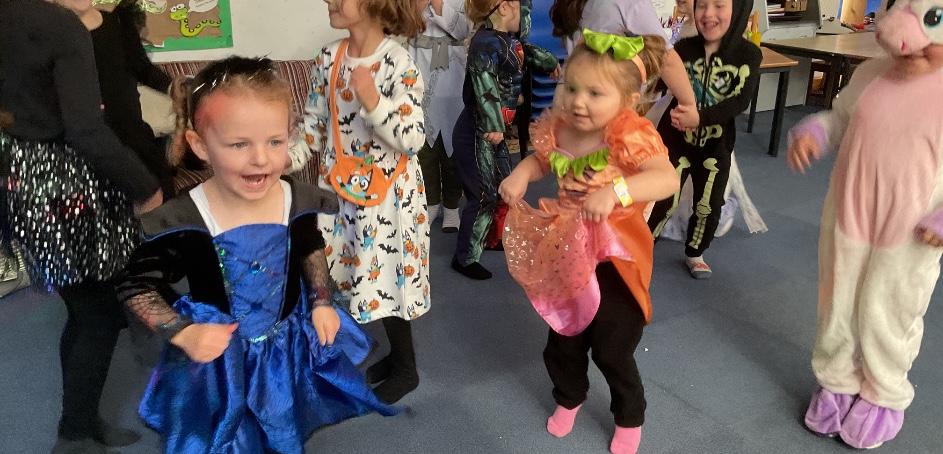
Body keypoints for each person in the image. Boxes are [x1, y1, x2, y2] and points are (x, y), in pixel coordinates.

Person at [115, 57, 396, 453]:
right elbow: (135, 284)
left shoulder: (294, 197)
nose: (261, 159)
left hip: (284, 348)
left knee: (281, 418)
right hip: (220, 358)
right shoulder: (185, 217)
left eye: (275, 142)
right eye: (239, 144)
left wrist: (321, 301)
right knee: (229, 431)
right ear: (200, 145)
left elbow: (309, 245)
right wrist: (183, 331)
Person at [499, 31, 678, 454]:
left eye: (595, 93)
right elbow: (541, 159)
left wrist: (616, 191)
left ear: (628, 101)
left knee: (613, 345)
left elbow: (666, 178)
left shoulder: (630, 134)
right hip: (568, 247)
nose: (578, 101)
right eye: (572, 88)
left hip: (616, 254)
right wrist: (522, 174)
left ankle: (629, 414)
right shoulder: (561, 127)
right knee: (564, 335)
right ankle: (569, 395)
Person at [0, 1, 163, 452]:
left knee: (84, 308)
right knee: (98, 313)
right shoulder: (59, 25)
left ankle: (82, 420)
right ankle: (74, 434)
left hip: (23, 177)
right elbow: (86, 130)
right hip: (66, 185)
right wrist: (144, 186)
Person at [787, 0, 943, 449]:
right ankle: (836, 379)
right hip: (848, 216)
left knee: (891, 309)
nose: (909, 48)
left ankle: (883, 391)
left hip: (911, 234)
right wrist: (815, 132)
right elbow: (839, 119)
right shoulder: (871, 73)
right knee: (836, 302)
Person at [288, 0, 429, 404]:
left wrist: (374, 101)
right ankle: (395, 357)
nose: (328, 1)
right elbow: (314, 127)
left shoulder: (398, 62)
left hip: (389, 201)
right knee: (357, 275)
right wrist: (282, 159)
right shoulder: (328, 58)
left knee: (389, 278)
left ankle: (407, 369)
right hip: (344, 192)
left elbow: (413, 138)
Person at [646, 0, 762, 279]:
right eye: (702, 5)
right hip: (674, 141)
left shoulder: (748, 55)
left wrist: (700, 117)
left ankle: (695, 252)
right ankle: (645, 244)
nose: (708, 14)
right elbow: (658, 82)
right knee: (662, 198)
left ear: (738, 10)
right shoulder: (683, 48)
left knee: (707, 205)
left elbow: (739, 102)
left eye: (719, 5)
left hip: (715, 146)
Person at [451, 0, 560, 280]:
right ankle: (465, 257)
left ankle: (490, 236)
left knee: (504, 183)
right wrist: (493, 122)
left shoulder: (507, 40)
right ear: (505, 7)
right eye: (523, 9)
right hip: (477, 130)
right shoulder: (484, 44)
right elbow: (484, 83)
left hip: (493, 131)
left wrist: (549, 63)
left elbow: (525, 52)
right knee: (483, 193)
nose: (527, 17)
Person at [548, 0, 698, 119]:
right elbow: (667, 60)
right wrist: (689, 104)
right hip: (601, 105)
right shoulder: (630, 3)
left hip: (569, 95)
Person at [409, 0, 472, 232]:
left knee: (452, 149)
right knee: (425, 149)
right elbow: (404, 26)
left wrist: (437, 4)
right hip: (421, 74)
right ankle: (431, 202)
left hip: (453, 78)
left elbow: (463, 29)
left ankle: (452, 206)